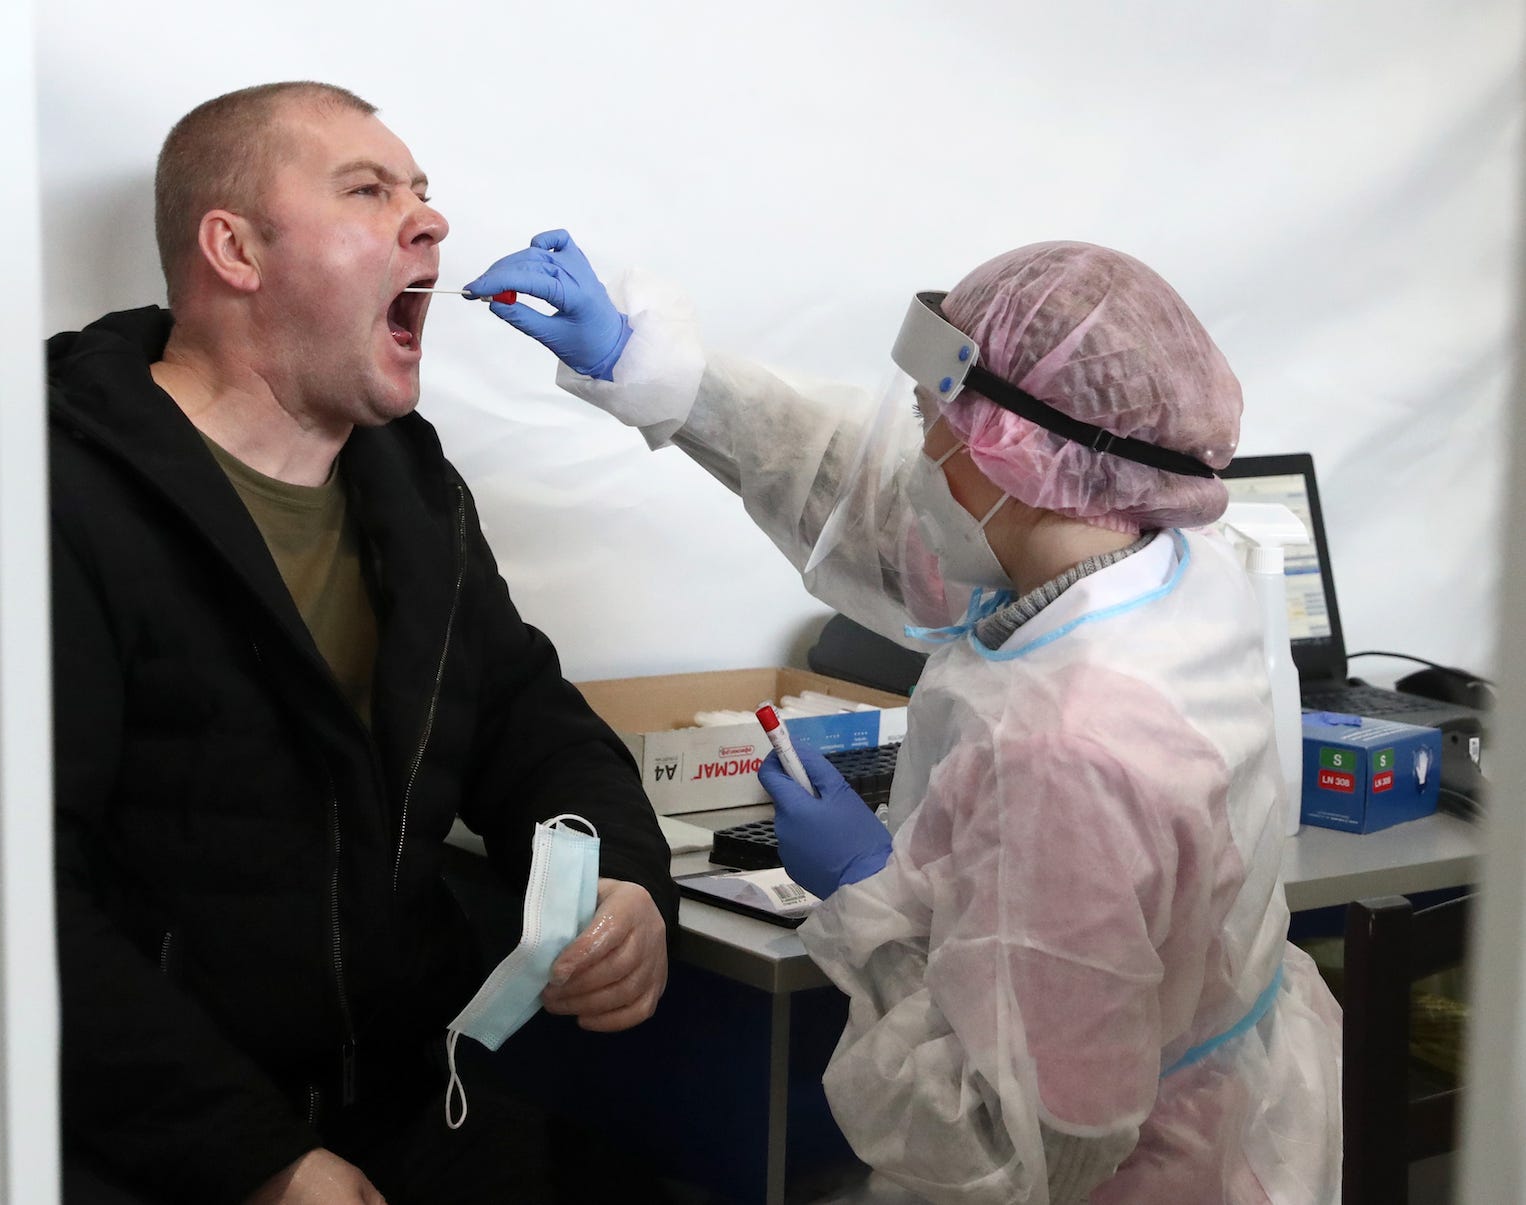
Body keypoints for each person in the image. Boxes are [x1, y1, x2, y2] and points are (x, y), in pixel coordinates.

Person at [463, 234, 1344, 1203]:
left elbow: (1009, 1143)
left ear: (1012, 455)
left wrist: (865, 894)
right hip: (1233, 1116)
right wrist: (657, 372)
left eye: (933, 418)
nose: (918, 448)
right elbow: (864, 498)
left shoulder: (1069, 749)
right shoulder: (1170, 561)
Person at [50, 87, 677, 1205]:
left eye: (424, 193)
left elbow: (531, 722)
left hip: (402, 1101)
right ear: (233, 247)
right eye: (369, 189)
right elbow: (26, 906)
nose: (427, 220)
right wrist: (259, 1160)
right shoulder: (51, 494)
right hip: (157, 1144)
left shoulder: (412, 485)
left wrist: (625, 876)